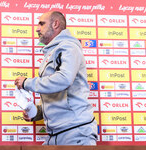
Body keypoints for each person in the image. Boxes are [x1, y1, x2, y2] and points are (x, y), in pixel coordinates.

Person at [15, 11, 98, 145]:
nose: (37, 28)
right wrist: (38, 112)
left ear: (55, 24)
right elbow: (59, 94)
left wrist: (27, 83)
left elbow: (64, 79)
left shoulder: (68, 47)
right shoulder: (53, 51)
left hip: (75, 132)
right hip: (57, 135)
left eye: (42, 24)